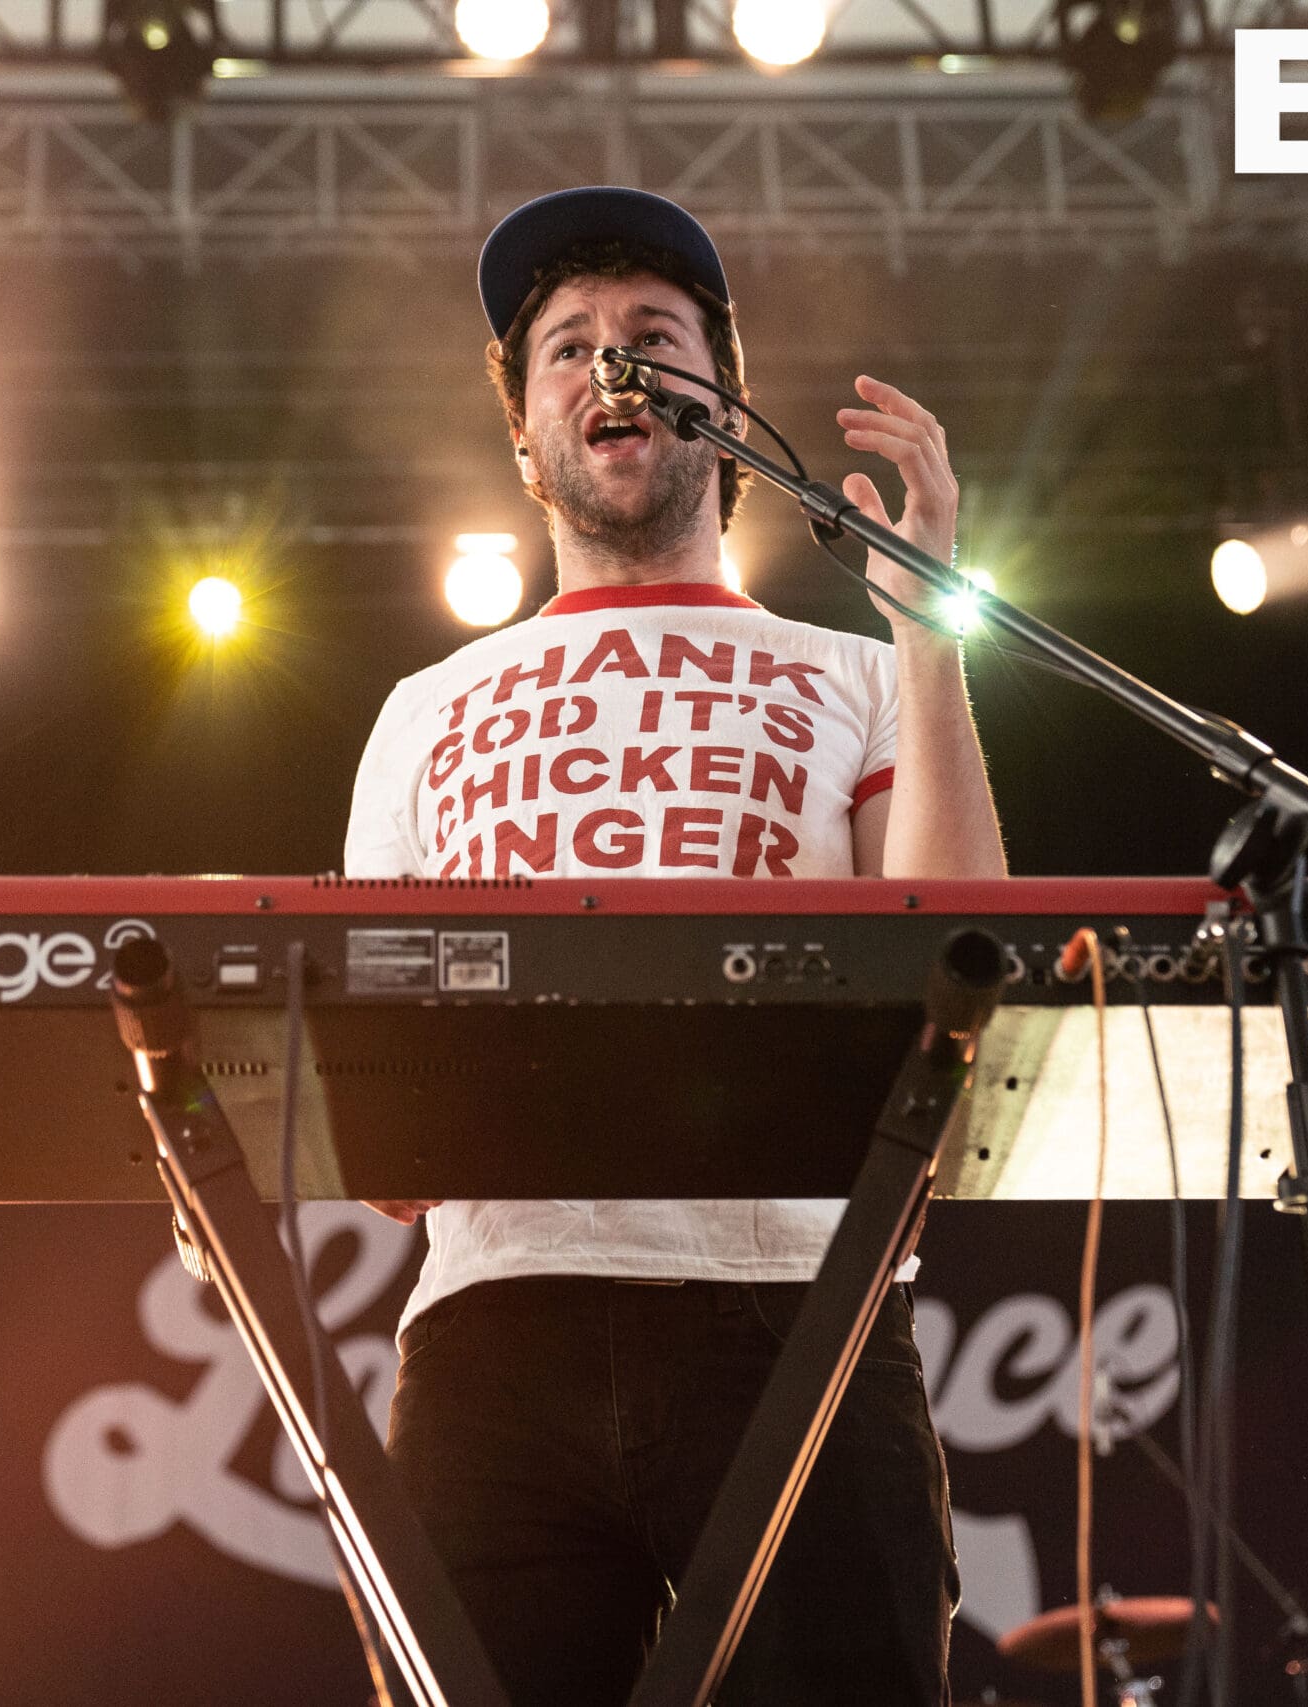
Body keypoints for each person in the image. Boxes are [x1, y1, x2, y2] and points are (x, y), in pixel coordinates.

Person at [341, 185, 1005, 1707]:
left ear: (723, 402)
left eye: (653, 336)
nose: (611, 364)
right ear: (527, 435)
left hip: (797, 1306)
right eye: (568, 347)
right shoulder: (425, 709)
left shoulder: (857, 671)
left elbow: (962, 975)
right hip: (498, 1325)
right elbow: (385, 1133)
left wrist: (926, 627)